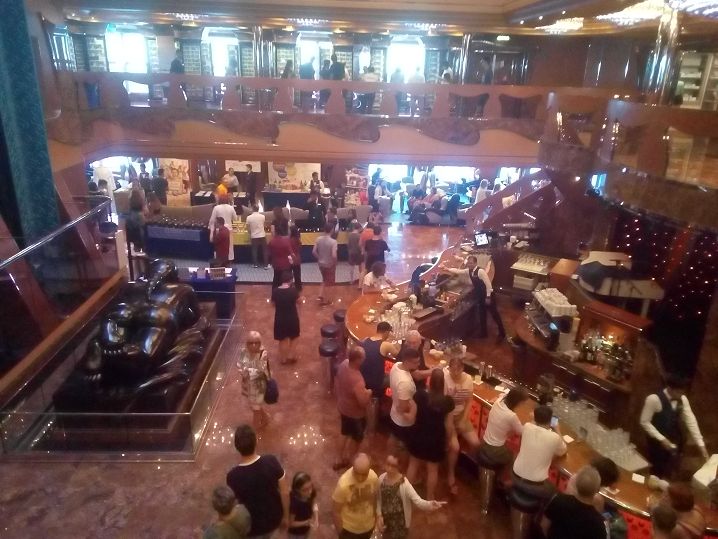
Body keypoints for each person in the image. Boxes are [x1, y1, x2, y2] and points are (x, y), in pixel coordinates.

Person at [640, 375, 709, 479]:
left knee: (669, 468)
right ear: (669, 388)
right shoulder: (653, 399)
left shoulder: (682, 399)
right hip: (656, 443)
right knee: (655, 470)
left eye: (682, 392)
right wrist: (661, 439)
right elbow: (644, 422)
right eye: (679, 392)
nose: (681, 395)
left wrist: (701, 445)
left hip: (674, 439)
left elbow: (691, 420)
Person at [226, 424, 288, 538]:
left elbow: (234, 506)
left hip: (251, 526)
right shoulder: (271, 461)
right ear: (256, 441)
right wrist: (286, 517)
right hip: (274, 518)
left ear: (236, 447)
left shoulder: (232, 476)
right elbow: (285, 492)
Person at [406, 369, 455, 500]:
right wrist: (448, 442)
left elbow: (412, 415)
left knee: (413, 464)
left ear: (430, 381)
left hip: (418, 434)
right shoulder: (448, 402)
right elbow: (449, 426)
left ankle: (406, 494)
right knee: (433, 470)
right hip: (436, 439)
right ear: (443, 383)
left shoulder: (420, 395)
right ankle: (429, 496)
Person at [376, 454, 444, 539]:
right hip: (385, 519)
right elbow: (379, 498)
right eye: (388, 464)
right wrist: (379, 515)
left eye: (393, 466)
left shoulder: (404, 484)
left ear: (399, 467)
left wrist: (429, 505)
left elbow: (418, 501)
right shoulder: (381, 478)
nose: (389, 468)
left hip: (399, 522)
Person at [512, 405, 567, 500]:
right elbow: (563, 450)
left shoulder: (527, 427)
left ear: (535, 418)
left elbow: (533, 424)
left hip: (515, 475)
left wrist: (535, 418)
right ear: (550, 420)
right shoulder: (554, 437)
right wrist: (557, 429)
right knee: (555, 492)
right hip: (535, 485)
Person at [444, 356, 481, 496]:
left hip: (460, 416)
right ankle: (451, 474)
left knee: (476, 443)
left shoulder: (468, 380)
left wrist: (464, 419)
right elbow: (444, 405)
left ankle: (474, 473)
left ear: (462, 369)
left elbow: (469, 401)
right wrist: (451, 425)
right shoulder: (445, 378)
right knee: (455, 447)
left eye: (457, 370)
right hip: (447, 416)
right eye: (452, 370)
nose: (454, 373)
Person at [541, 466, 606, 539]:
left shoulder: (559, 500)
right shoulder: (598, 524)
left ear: (576, 485)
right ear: (597, 491)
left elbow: (544, 525)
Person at [335, 346, 373, 470]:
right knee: (356, 438)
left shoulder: (343, 364)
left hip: (343, 407)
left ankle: (338, 458)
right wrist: (368, 393)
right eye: (363, 358)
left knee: (344, 433)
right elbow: (362, 402)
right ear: (358, 360)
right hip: (355, 414)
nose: (364, 360)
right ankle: (352, 460)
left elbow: (338, 381)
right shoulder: (357, 380)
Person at [332, 453, 379, 539]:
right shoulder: (343, 484)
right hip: (349, 529)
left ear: (369, 470)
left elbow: (375, 499)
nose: (360, 478)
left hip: (368, 527)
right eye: (357, 473)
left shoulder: (373, 478)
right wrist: (341, 535)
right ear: (352, 467)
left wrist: (376, 519)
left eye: (364, 474)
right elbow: (336, 511)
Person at [237, 332, 271, 429]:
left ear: (260, 343)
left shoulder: (263, 353)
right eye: (251, 343)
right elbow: (239, 364)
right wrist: (243, 371)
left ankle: (255, 427)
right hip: (247, 385)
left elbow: (261, 369)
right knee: (254, 406)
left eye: (256, 343)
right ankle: (265, 417)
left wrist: (248, 370)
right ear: (247, 343)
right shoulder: (243, 352)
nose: (253, 345)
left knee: (256, 408)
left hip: (258, 386)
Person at [389, 349, 420, 448]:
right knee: (403, 445)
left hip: (394, 413)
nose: (418, 364)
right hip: (403, 422)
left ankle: (391, 454)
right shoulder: (405, 383)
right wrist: (412, 413)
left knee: (394, 437)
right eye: (415, 362)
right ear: (406, 361)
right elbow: (402, 407)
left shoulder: (397, 365)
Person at [361, 321, 400, 400]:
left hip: (362, 378)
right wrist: (397, 342)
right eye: (389, 333)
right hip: (376, 381)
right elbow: (399, 356)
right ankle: (393, 401)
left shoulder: (365, 339)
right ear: (386, 332)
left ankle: (381, 398)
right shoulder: (385, 345)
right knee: (399, 379)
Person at [271, 270, 300, 365]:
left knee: (282, 339)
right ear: (290, 280)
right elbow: (299, 302)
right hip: (292, 318)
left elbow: (273, 304)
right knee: (294, 337)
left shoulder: (275, 291)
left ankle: (283, 359)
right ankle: (292, 356)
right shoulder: (293, 291)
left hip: (280, 319)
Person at [312, 222, 337, 306]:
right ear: (332, 230)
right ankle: (327, 300)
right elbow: (334, 255)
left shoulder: (318, 239)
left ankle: (320, 295)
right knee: (330, 283)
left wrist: (319, 258)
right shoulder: (333, 242)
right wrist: (334, 262)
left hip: (321, 264)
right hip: (329, 264)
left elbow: (314, 251)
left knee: (324, 279)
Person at [288, 472, 318, 539]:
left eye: (311, 486)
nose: (310, 491)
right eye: (305, 490)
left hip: (306, 529)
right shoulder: (294, 503)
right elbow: (290, 523)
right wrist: (306, 522)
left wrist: (316, 518)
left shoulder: (311, 493)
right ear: (297, 490)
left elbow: (314, 504)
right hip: (295, 533)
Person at [209, 195, 237, 263]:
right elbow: (235, 218)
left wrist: (211, 229)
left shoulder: (216, 208)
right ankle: (229, 259)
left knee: (219, 246)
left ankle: (220, 259)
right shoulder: (231, 208)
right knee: (229, 246)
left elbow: (212, 220)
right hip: (229, 229)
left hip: (219, 229)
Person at [268, 221, 293, 288]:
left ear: (275, 232)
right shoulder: (286, 241)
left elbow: (269, 253)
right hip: (285, 264)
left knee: (276, 278)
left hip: (276, 263)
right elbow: (290, 252)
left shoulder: (272, 241)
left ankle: (274, 292)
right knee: (285, 280)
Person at [246, 205, 269, 269]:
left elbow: (248, 228)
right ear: (258, 209)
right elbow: (264, 225)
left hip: (254, 236)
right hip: (262, 235)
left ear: (252, 209)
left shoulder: (249, 217)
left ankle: (255, 264)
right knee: (265, 250)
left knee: (254, 250)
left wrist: (250, 233)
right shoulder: (262, 216)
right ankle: (266, 265)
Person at [347, 221, 363, 288]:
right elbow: (360, 245)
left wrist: (349, 250)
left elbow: (348, 244)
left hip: (351, 252)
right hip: (358, 252)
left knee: (351, 267)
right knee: (360, 267)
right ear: (359, 228)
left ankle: (351, 280)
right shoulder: (359, 236)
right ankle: (360, 280)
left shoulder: (350, 235)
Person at [289, 225, 303, 292]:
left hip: (290, 259)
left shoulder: (289, 240)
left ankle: (289, 287)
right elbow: (300, 248)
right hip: (297, 259)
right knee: (297, 275)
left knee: (289, 274)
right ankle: (298, 287)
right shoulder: (298, 239)